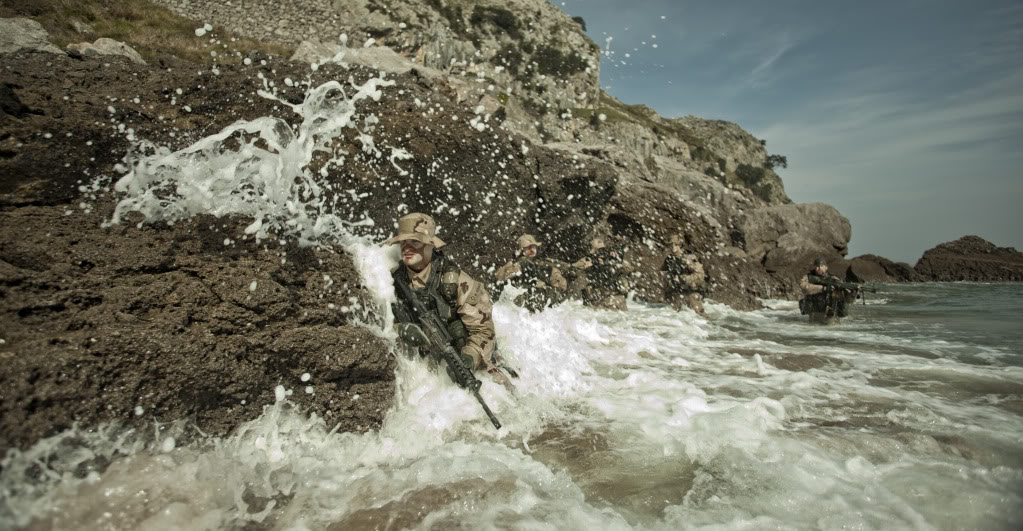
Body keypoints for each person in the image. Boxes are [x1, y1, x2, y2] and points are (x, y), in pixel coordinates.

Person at [387, 212, 505, 377]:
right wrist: (399, 329)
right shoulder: (389, 280)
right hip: (421, 367)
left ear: (430, 244)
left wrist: (469, 359)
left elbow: (483, 332)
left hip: (469, 359)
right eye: (403, 242)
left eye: (414, 241)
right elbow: (376, 324)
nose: (407, 247)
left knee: (499, 388)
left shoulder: (456, 281)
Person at [495, 234, 569, 312]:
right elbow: (500, 277)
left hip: (532, 305)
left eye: (533, 246)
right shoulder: (520, 263)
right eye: (528, 247)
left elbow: (558, 279)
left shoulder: (539, 263)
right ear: (521, 250)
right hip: (522, 304)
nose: (532, 249)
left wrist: (558, 276)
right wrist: (512, 269)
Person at [574, 237, 629, 311]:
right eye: (594, 239)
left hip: (615, 300)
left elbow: (627, 267)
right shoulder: (588, 259)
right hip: (598, 302)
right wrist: (593, 258)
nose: (599, 240)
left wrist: (613, 257)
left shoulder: (613, 255)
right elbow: (576, 266)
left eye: (600, 240)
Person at [798, 257, 857, 324]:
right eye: (817, 266)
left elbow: (848, 300)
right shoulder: (808, 277)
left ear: (826, 267)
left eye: (821, 266)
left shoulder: (834, 279)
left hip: (831, 318)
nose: (819, 268)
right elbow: (804, 288)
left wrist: (852, 294)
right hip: (815, 315)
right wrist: (823, 288)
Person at [662, 234, 707, 316]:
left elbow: (700, 275)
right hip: (675, 296)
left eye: (675, 244)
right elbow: (664, 274)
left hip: (690, 296)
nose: (672, 247)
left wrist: (685, 279)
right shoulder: (669, 260)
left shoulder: (688, 258)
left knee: (701, 320)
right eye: (670, 245)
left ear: (680, 245)